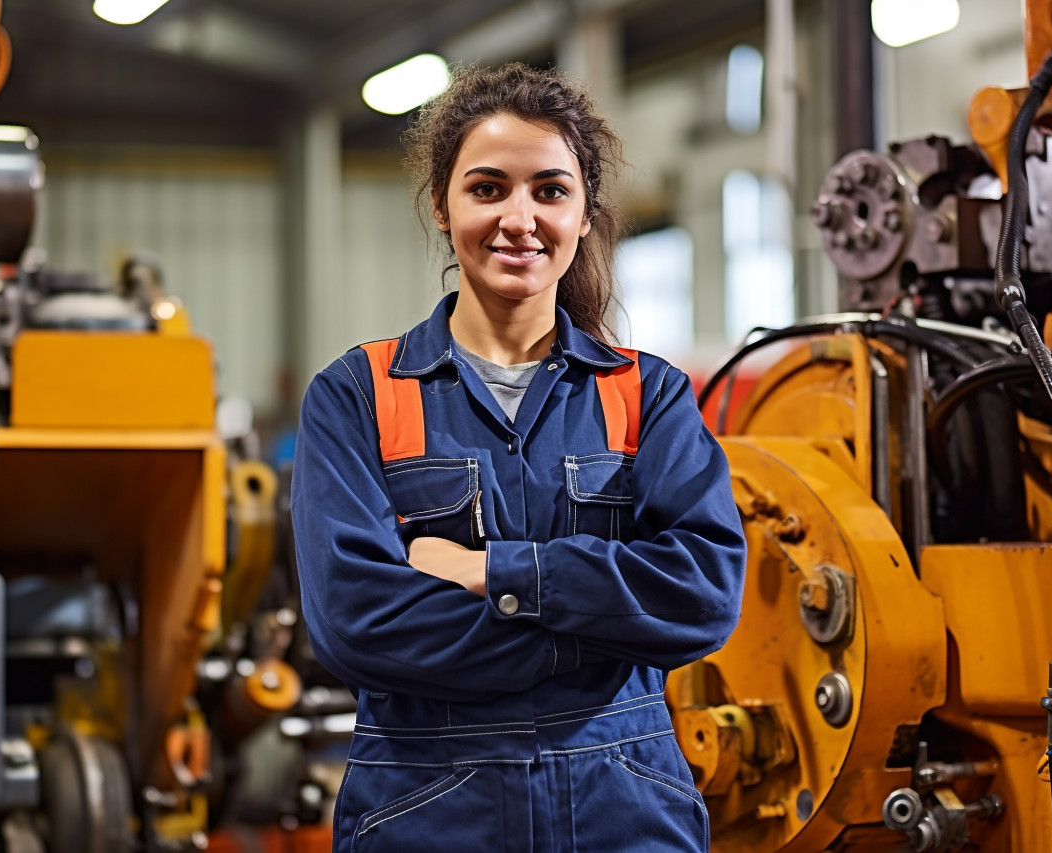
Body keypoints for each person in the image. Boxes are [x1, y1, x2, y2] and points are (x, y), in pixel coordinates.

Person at [291, 63, 746, 853]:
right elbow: (356, 623)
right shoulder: (358, 396)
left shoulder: (649, 395)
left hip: (626, 807)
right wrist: (600, 633)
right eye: (489, 188)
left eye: (550, 190)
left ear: (582, 212)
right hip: (427, 808)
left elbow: (703, 594)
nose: (520, 218)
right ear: (443, 204)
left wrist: (492, 572)